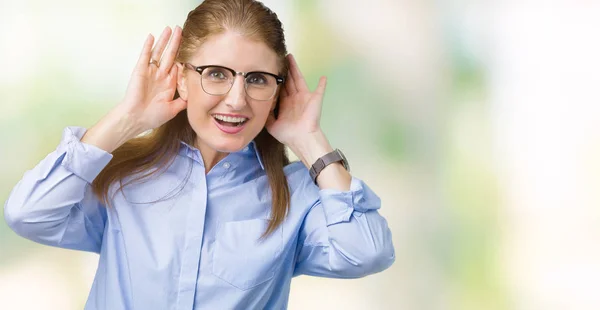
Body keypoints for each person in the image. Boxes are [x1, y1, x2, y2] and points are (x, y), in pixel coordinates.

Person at [3, 0, 395, 309]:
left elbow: (367, 252)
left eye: (257, 79)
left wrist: (309, 141)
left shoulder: (297, 197)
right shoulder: (125, 177)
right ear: (181, 79)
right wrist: (128, 117)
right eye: (216, 73)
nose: (237, 100)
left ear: (279, 89)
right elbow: (29, 213)